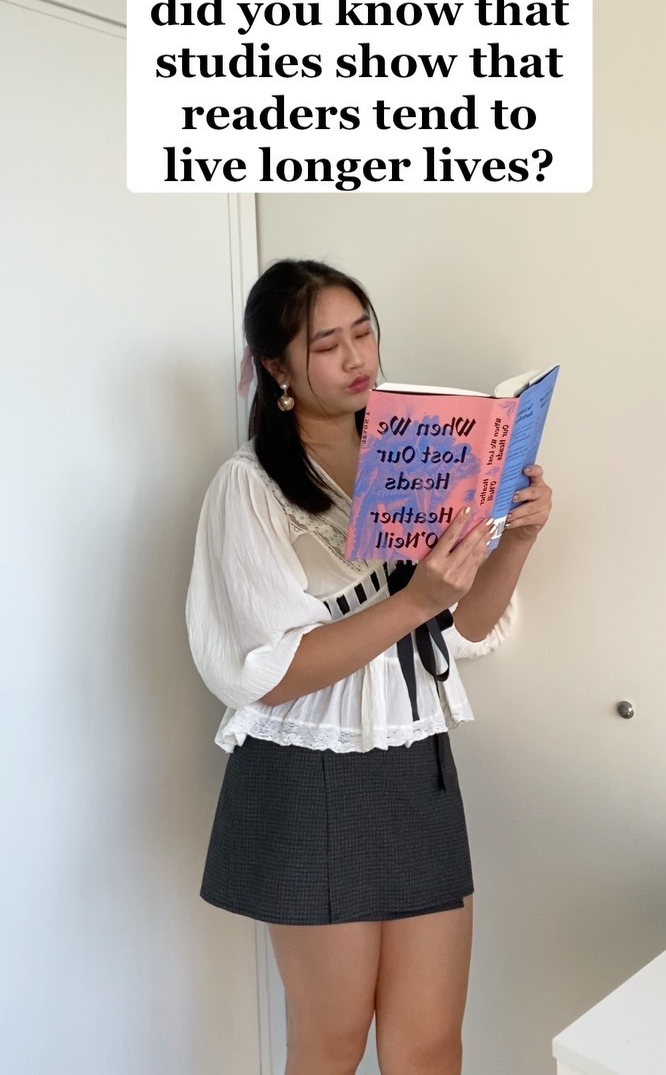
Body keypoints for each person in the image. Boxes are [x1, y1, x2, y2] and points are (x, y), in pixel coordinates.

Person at [186, 258, 552, 1075]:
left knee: (430, 1044)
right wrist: (415, 601)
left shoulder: (423, 455)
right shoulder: (250, 489)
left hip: (417, 764)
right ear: (277, 369)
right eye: (327, 345)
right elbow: (269, 672)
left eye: (364, 332)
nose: (357, 357)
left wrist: (517, 540)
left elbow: (465, 631)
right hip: (308, 773)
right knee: (331, 1042)